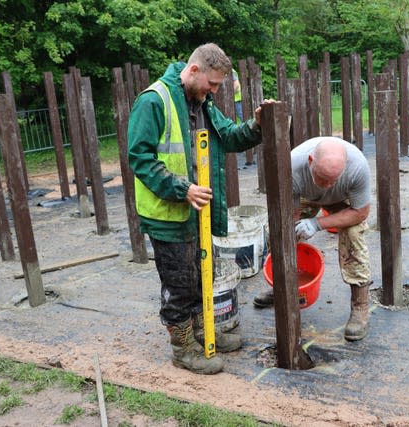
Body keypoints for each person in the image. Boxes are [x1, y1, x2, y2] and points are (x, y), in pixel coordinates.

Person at [128, 43, 273, 375]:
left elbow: (231, 137)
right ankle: (183, 349)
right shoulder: (153, 101)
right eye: (213, 84)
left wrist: (256, 125)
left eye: (219, 86)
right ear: (193, 71)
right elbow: (140, 159)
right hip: (167, 215)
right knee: (179, 284)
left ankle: (201, 331)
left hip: (195, 211)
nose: (215, 91)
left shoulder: (201, 102)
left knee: (196, 277)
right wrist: (182, 188)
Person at [253, 136, 373, 342]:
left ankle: (360, 306)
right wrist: (293, 228)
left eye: (332, 180)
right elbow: (289, 212)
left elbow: (360, 212)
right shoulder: (290, 166)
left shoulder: (358, 166)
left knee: (354, 235)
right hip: (305, 196)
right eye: (322, 178)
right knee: (281, 231)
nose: (326, 186)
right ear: (311, 161)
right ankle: (283, 287)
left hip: (342, 200)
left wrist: (317, 224)